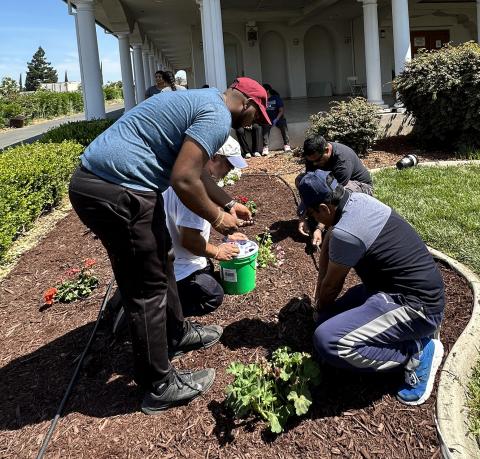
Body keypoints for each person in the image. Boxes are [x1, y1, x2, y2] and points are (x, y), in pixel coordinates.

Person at [68, 77, 271, 414]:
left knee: (164, 260)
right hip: (116, 190)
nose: (253, 124)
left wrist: (228, 203)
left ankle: (176, 332)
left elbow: (195, 171)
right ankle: (159, 385)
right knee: (146, 289)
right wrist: (218, 219)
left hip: (119, 186)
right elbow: (183, 179)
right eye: (256, 116)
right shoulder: (218, 116)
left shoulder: (205, 101)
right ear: (247, 103)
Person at [298, 170, 445, 406]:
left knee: (328, 341)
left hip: (417, 307)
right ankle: (409, 336)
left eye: (312, 214)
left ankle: (415, 350)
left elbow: (332, 287)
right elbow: (329, 241)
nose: (312, 220)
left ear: (324, 208)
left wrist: (320, 305)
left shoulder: (347, 233)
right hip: (392, 291)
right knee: (326, 319)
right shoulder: (355, 202)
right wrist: (321, 306)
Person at [163, 136, 248, 316]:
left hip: (167, 258)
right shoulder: (195, 194)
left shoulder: (181, 175)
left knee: (208, 268)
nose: (231, 170)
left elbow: (189, 227)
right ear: (214, 157)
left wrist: (226, 237)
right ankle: (168, 314)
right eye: (229, 164)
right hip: (176, 269)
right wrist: (218, 252)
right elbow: (189, 241)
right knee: (213, 295)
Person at [297, 134, 373, 247]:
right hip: (330, 185)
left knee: (345, 192)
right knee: (300, 180)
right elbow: (309, 184)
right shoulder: (314, 157)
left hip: (359, 186)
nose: (314, 164)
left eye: (318, 160)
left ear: (327, 150)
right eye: (311, 161)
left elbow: (334, 198)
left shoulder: (342, 159)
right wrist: (302, 216)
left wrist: (319, 228)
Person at [261, 83, 291, 155]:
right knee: (265, 127)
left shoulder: (276, 98)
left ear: (267, 91)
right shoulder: (262, 99)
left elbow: (281, 110)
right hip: (267, 119)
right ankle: (265, 147)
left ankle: (287, 145)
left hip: (277, 117)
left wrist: (276, 119)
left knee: (283, 125)